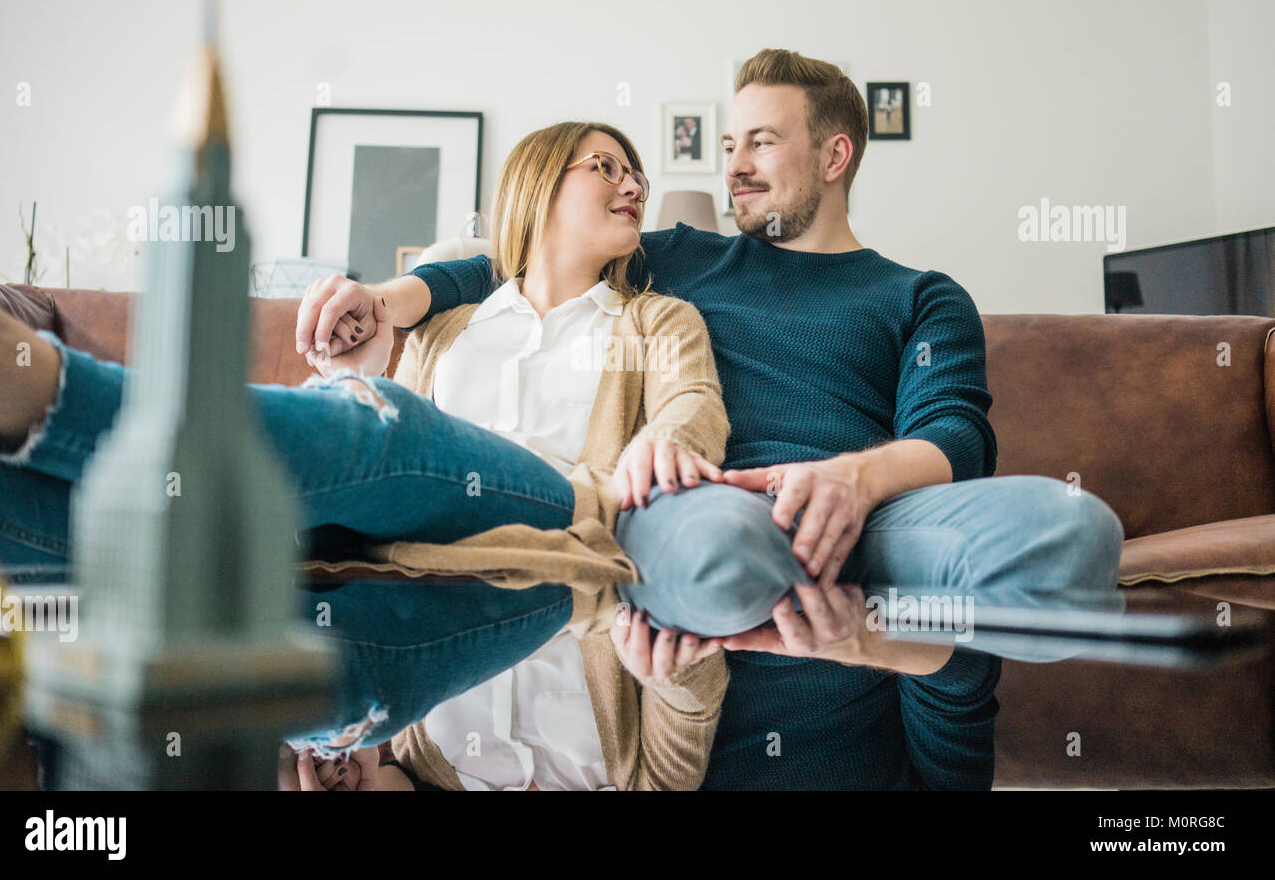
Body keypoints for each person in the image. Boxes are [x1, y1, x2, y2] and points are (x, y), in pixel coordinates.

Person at [309, 48, 1126, 790]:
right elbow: (519, 256)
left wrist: (849, 480)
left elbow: (956, 435)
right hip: (689, 544)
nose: (735, 166)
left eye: (762, 143)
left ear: (835, 156)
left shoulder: (919, 295)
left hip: (857, 526)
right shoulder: (680, 256)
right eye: (729, 145)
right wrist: (391, 299)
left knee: (1064, 536)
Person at [0, 121, 740, 789]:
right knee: (372, 425)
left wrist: (367, 778)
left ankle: (30, 443)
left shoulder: (659, 321)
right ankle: (49, 403)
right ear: (536, 184)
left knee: (326, 690)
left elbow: (693, 408)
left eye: (637, 171)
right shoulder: (447, 329)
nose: (634, 182)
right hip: (401, 500)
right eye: (605, 164)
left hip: (525, 579)